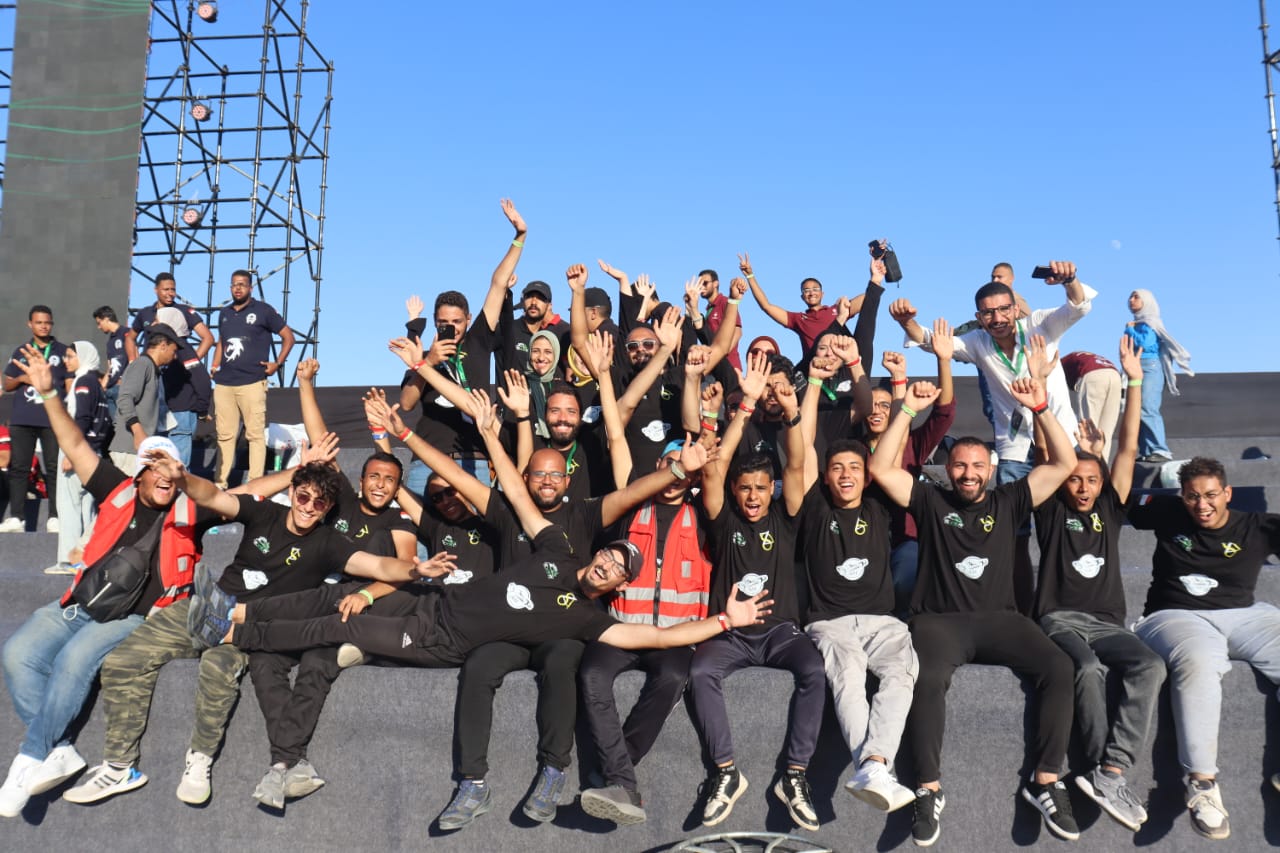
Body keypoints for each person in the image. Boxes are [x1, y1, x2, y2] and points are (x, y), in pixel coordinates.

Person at [61, 456, 424, 807]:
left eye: (319, 503)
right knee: (123, 660)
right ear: (292, 492)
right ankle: (120, 766)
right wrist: (183, 479)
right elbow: (213, 497)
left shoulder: (329, 542)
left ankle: (200, 759)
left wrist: (416, 571)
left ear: (328, 507)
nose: (309, 508)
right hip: (211, 604)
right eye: (303, 497)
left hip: (252, 625)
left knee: (217, 668)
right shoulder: (264, 513)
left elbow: (380, 566)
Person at [0, 345, 211, 818]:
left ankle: (28, 759)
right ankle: (59, 750)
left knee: (73, 660)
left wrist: (299, 471)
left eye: (171, 468)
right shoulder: (117, 488)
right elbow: (75, 444)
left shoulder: (193, 510)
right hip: (79, 603)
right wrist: (49, 393)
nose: (163, 475)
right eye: (154, 466)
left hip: (133, 617)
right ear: (141, 473)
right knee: (16, 653)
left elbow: (246, 494)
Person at [870, 377, 1082, 846]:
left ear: (991, 469)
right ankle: (928, 788)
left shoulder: (1010, 500)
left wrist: (1041, 408)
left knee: (1059, 667)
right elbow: (881, 467)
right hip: (939, 622)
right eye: (961, 465)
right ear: (947, 469)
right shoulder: (930, 499)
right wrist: (907, 411)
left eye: (978, 466)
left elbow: (1065, 464)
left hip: (1001, 620)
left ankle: (1046, 780)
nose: (968, 473)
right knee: (925, 679)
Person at [890, 260, 1091, 613]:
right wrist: (907, 322)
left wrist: (1070, 280)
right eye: (988, 313)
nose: (997, 318)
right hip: (1014, 449)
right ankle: (1021, 612)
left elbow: (1077, 305)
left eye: (1003, 310)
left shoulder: (1040, 325)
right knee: (1015, 539)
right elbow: (935, 342)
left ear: (1015, 307)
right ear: (978, 317)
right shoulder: (979, 343)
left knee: (1066, 530)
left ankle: (1064, 610)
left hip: (1060, 438)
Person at [688, 351, 827, 832]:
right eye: (745, 488)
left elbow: (797, 464)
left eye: (760, 489)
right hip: (731, 634)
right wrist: (745, 406)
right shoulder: (723, 519)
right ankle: (726, 772)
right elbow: (714, 468)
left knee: (815, 670)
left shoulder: (786, 519)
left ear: (771, 491)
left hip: (780, 632)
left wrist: (792, 413)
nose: (752, 496)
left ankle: (795, 775)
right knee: (700, 670)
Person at [1034, 335, 1165, 832]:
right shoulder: (1051, 510)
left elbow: (1128, 447)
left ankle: (1112, 771)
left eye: (1092, 480)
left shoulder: (1110, 507)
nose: (1084, 487)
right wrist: (1040, 390)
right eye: (1075, 479)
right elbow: (1046, 451)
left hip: (1107, 622)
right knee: (1087, 669)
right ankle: (1092, 765)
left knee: (1150, 665)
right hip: (1059, 620)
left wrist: (1134, 381)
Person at [1130, 456, 1280, 840]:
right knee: (1200, 658)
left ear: (1227, 493)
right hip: (1172, 616)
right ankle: (1202, 785)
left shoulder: (1257, 526)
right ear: (1182, 496)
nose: (1202, 505)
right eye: (1193, 496)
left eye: (1211, 495)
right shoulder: (1167, 511)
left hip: (1242, 616)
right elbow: (1113, 499)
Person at [795, 350, 918, 816]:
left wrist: (903, 399)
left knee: (902, 673)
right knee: (847, 673)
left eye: (854, 469)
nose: (846, 475)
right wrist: (812, 384)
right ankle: (873, 765)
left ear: (867, 477)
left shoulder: (879, 505)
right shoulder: (816, 505)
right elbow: (804, 445)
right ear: (826, 477)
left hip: (882, 622)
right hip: (830, 622)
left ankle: (873, 766)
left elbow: (889, 452)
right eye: (837, 469)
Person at [577, 439, 714, 826]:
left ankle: (617, 771)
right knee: (591, 673)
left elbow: (715, 479)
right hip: (622, 629)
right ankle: (623, 782)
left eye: (685, 469)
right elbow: (617, 440)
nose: (676, 475)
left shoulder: (705, 518)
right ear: (658, 465)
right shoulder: (631, 510)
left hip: (675, 636)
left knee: (672, 677)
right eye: (670, 464)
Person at [859, 339, 956, 616]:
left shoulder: (914, 443)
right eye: (872, 405)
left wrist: (943, 360)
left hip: (906, 539)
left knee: (906, 579)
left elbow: (944, 413)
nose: (877, 411)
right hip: (866, 540)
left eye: (885, 405)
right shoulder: (852, 451)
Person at [210, 269, 295, 487]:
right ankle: (220, 483)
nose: (237, 288)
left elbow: (288, 337)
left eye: (242, 284)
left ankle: (255, 485)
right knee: (225, 436)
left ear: (250, 287)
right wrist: (214, 364)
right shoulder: (224, 313)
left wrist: (278, 363)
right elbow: (222, 341)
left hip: (252, 381)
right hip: (225, 383)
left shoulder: (263, 310)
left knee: (255, 435)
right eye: (234, 284)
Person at [0, 305, 71, 533]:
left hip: (52, 419)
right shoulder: (21, 351)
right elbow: (7, 384)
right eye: (39, 322)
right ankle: (16, 518)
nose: (43, 326)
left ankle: (55, 516)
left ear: (52, 324)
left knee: (54, 468)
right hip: (22, 418)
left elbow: (69, 385)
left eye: (47, 322)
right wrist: (24, 377)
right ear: (30, 324)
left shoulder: (62, 351)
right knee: (19, 468)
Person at [47, 341, 111, 575]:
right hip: (92, 453)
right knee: (86, 508)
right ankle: (86, 559)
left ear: (83, 357)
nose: (66, 361)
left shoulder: (83, 382)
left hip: (78, 451)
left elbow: (82, 418)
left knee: (69, 507)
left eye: (71, 356)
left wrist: (71, 453)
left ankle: (68, 561)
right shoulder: (95, 383)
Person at [740, 252, 865, 360]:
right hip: (814, 368)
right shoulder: (798, 319)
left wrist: (875, 275)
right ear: (802, 297)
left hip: (840, 366)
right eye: (806, 290)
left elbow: (866, 299)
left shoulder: (836, 310)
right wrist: (750, 276)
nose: (811, 293)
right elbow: (766, 306)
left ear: (822, 294)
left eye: (815, 289)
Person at [1125, 289, 1193, 464]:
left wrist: (1130, 330)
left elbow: (1145, 344)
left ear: (1147, 301)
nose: (1131, 300)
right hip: (1137, 366)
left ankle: (1160, 449)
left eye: (1136, 297)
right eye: (1131, 296)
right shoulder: (1138, 323)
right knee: (1136, 409)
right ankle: (1147, 451)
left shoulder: (1150, 322)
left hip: (1150, 366)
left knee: (1148, 407)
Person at [108, 323, 181, 476]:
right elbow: (125, 399)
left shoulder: (153, 370)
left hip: (138, 450)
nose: (175, 357)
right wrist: (138, 432)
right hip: (129, 450)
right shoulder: (142, 364)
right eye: (174, 351)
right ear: (163, 346)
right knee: (127, 491)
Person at [154, 306, 212, 467]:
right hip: (167, 415)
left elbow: (202, 380)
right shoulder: (166, 348)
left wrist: (201, 409)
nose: (154, 324)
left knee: (178, 469)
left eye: (158, 321)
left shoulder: (183, 349)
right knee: (166, 469)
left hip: (180, 415)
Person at [126, 272, 214, 361]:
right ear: (156, 290)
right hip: (151, 366)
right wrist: (132, 360)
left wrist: (192, 363)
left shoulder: (184, 310)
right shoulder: (145, 312)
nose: (170, 293)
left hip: (177, 365)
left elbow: (208, 338)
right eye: (166, 289)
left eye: (173, 289)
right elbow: (130, 338)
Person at [1059, 351, 1123, 460]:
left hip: (1092, 374)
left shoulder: (1058, 366)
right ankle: (1103, 466)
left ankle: (1088, 463)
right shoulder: (1076, 358)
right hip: (1114, 375)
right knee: (1106, 431)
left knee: (1087, 430)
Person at [686, 268, 743, 371]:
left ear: (716, 284)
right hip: (714, 367)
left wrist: (721, 352)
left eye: (705, 283)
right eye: (699, 284)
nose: (701, 287)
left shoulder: (725, 302)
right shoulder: (709, 309)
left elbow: (738, 332)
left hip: (730, 365)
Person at [92, 305, 129, 419]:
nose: (99, 327)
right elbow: (110, 368)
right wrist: (102, 387)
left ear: (107, 319)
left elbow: (135, 358)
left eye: (99, 323)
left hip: (123, 388)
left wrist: (127, 383)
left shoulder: (126, 333)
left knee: (126, 423)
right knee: (115, 425)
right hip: (110, 389)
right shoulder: (110, 342)